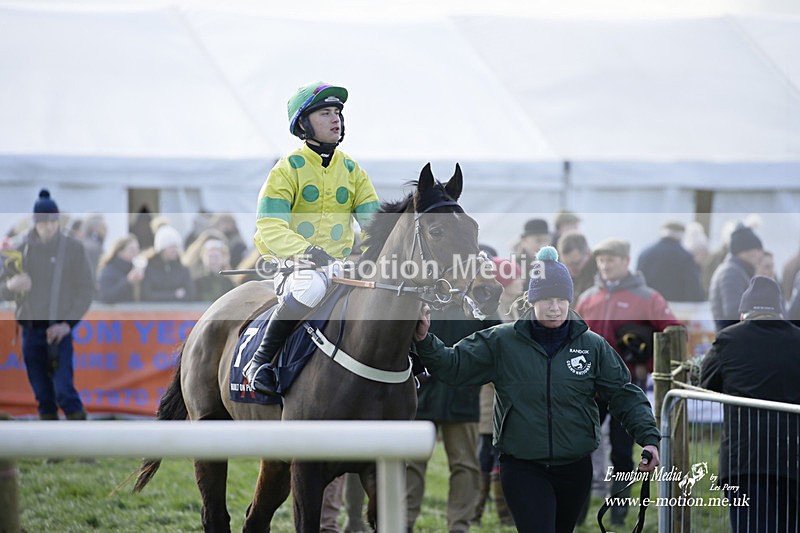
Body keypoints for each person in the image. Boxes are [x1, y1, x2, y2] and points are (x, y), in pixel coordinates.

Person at [413, 246, 660, 533]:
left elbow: (623, 394)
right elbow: (453, 365)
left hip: (575, 466)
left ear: (570, 300)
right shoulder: (502, 341)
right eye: (546, 300)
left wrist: (648, 438)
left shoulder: (592, 346)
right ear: (532, 301)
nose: (554, 307)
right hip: (522, 467)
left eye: (560, 299)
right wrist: (424, 339)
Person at [243, 81, 380, 394]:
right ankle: (260, 362)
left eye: (338, 113)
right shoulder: (286, 170)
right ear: (303, 124)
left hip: (342, 267)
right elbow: (270, 226)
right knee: (311, 287)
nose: (336, 120)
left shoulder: (353, 170)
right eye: (326, 113)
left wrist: (375, 254)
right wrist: (309, 252)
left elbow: (376, 225)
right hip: (296, 267)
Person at [574, 237, 681, 525]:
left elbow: (674, 332)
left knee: (622, 452)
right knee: (580, 449)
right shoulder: (587, 297)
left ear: (625, 261)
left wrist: (648, 358)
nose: (605, 265)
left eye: (610, 259)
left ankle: (619, 512)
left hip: (624, 387)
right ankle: (577, 512)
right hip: (588, 387)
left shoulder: (648, 298)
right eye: (601, 260)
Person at [700, 276, 800, 533]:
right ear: (779, 311)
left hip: (743, 460)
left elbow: (706, 382)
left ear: (743, 313)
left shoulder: (727, 340)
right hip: (792, 457)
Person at [0, 189, 94, 421]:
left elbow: (86, 290)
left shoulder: (72, 248)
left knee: (64, 391)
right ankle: (53, 454)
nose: (50, 226)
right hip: (30, 331)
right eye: (45, 222)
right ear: (36, 223)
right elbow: (2, 287)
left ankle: (84, 448)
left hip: (59, 331)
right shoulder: (19, 249)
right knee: (42, 394)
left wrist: (67, 324)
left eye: (54, 221)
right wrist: (12, 285)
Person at [406, 305, 501, 533]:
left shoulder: (477, 299)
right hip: (421, 397)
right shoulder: (423, 294)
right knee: (410, 465)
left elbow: (497, 339)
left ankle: (459, 526)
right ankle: (403, 522)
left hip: (462, 398)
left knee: (465, 465)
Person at [708, 223, 764, 331]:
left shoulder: (736, 271)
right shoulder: (731, 273)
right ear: (744, 251)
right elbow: (733, 312)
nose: (760, 255)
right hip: (731, 340)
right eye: (757, 250)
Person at [636, 221, 704, 302]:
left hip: (649, 304)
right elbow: (693, 288)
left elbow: (638, 283)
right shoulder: (685, 257)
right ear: (681, 235)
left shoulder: (644, 254)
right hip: (676, 307)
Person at [141, 225, 195, 302]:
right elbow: (147, 294)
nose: (175, 250)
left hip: (179, 312)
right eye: (171, 247)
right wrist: (174, 295)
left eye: (176, 247)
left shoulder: (183, 270)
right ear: (161, 249)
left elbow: (190, 294)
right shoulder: (149, 269)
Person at [96, 234, 145, 303]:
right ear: (119, 251)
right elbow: (106, 296)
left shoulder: (137, 268)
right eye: (131, 249)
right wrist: (127, 281)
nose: (136, 253)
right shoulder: (108, 271)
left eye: (137, 249)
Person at [556, 230, 596, 298]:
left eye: (576, 264)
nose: (571, 269)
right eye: (566, 264)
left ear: (588, 254)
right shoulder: (559, 276)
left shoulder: (600, 276)